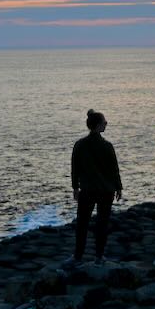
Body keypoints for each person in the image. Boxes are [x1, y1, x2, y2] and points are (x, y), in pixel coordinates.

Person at [66, 109, 122, 267]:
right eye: (104, 122)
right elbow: (114, 169)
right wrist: (118, 187)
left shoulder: (80, 145)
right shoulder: (107, 146)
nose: (106, 124)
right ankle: (99, 256)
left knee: (82, 224)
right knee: (102, 224)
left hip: (87, 190)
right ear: (98, 125)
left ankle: (78, 256)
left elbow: (74, 168)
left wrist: (75, 187)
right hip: (106, 190)